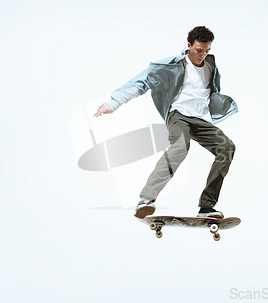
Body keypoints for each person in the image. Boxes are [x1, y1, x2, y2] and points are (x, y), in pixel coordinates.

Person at [93, 26, 238, 219]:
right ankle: (146, 199)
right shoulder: (171, 66)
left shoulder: (211, 66)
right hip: (179, 116)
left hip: (201, 119)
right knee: (180, 147)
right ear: (188, 46)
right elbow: (142, 81)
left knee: (227, 148)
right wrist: (114, 102)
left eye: (207, 51)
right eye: (198, 50)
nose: (202, 55)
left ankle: (207, 206)